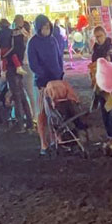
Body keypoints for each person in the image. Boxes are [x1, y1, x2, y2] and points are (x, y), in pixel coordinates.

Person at [28, 14, 64, 155]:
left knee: (57, 111)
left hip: (56, 80)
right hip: (42, 83)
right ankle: (44, 143)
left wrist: (60, 73)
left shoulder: (53, 40)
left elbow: (59, 57)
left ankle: (57, 138)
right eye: (43, 27)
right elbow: (33, 64)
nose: (46, 29)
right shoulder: (33, 43)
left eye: (48, 27)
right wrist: (43, 76)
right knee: (42, 113)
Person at [89, 26, 112, 148]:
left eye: (100, 36)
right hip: (100, 85)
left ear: (105, 34)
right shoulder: (95, 49)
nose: (98, 39)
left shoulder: (111, 47)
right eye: (96, 37)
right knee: (105, 112)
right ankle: (111, 137)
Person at [5, 23, 33, 133]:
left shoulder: (14, 42)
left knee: (18, 98)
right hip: (19, 69)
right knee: (22, 97)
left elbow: (8, 54)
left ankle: (20, 125)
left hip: (13, 70)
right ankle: (29, 122)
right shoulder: (24, 40)